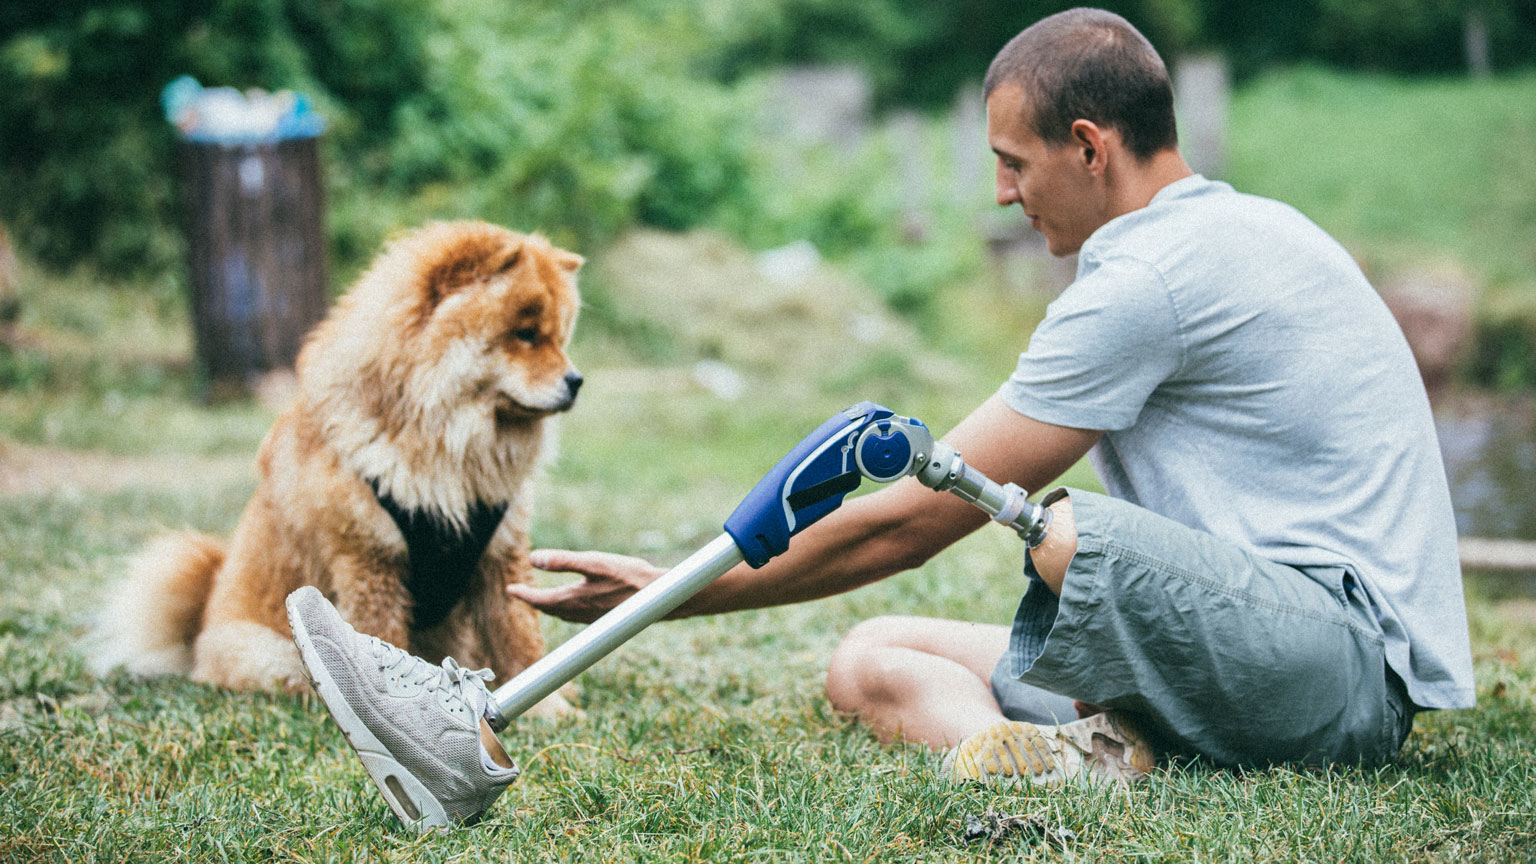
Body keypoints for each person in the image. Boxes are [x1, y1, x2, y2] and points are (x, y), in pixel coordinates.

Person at [286, 7, 1475, 830]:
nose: (1000, 194)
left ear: (1088, 147)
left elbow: (916, 517)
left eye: (1013, 163)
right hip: (1244, 657)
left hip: (1336, 676)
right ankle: (1076, 774)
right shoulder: (1223, 232)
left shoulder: (1153, 277)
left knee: (1070, 540)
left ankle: (1097, 748)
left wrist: (671, 595)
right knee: (876, 662)